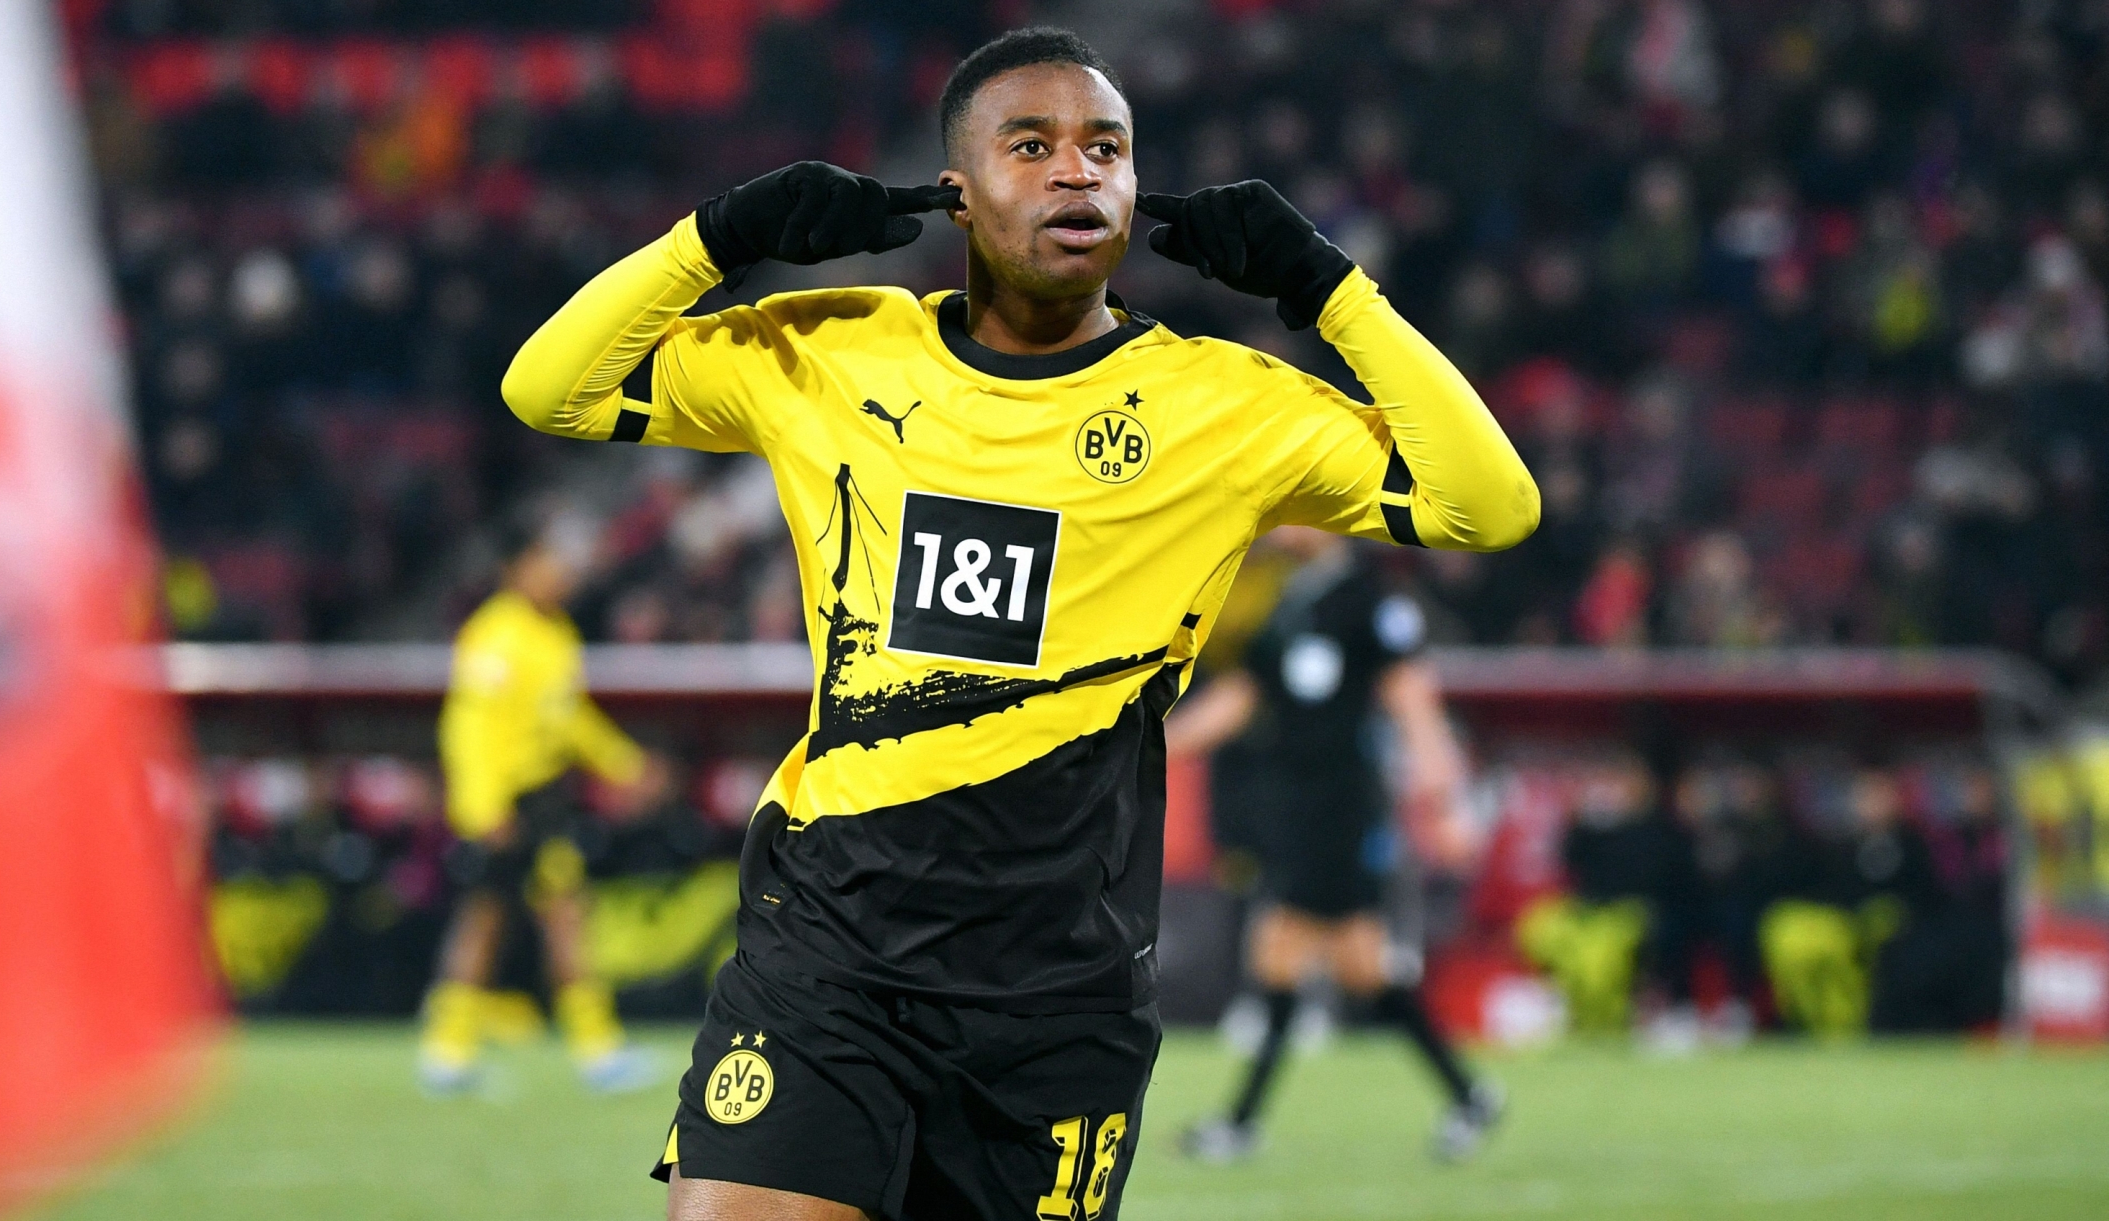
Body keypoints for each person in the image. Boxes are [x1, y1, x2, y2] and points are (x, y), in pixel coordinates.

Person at [501, 26, 1538, 1221]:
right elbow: (552, 387)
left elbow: (1489, 504)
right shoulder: (833, 351)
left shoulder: (1223, 406)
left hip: (1056, 994)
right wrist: (715, 241)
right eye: (1032, 144)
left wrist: (1327, 287)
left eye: (1107, 149)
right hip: (830, 951)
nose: (1077, 172)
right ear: (959, 188)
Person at [1163, 526, 1503, 1164]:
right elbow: (1244, 696)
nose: (1284, 522)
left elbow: (1412, 702)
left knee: (1282, 952)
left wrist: (1447, 804)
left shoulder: (1372, 602)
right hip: (1295, 811)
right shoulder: (1292, 598)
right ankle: (1469, 1095)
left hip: (1341, 812)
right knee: (1361, 971)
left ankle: (1239, 1125)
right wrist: (1156, 745)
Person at [418, 511, 670, 1094]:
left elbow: (569, 719)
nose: (562, 572)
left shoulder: (555, 633)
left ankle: (597, 1049)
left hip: (544, 802)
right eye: (548, 560)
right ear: (516, 568)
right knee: (485, 921)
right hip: (504, 804)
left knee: (564, 915)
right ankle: (447, 1050)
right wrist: (483, 809)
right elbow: (467, 730)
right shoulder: (494, 636)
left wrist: (624, 763)